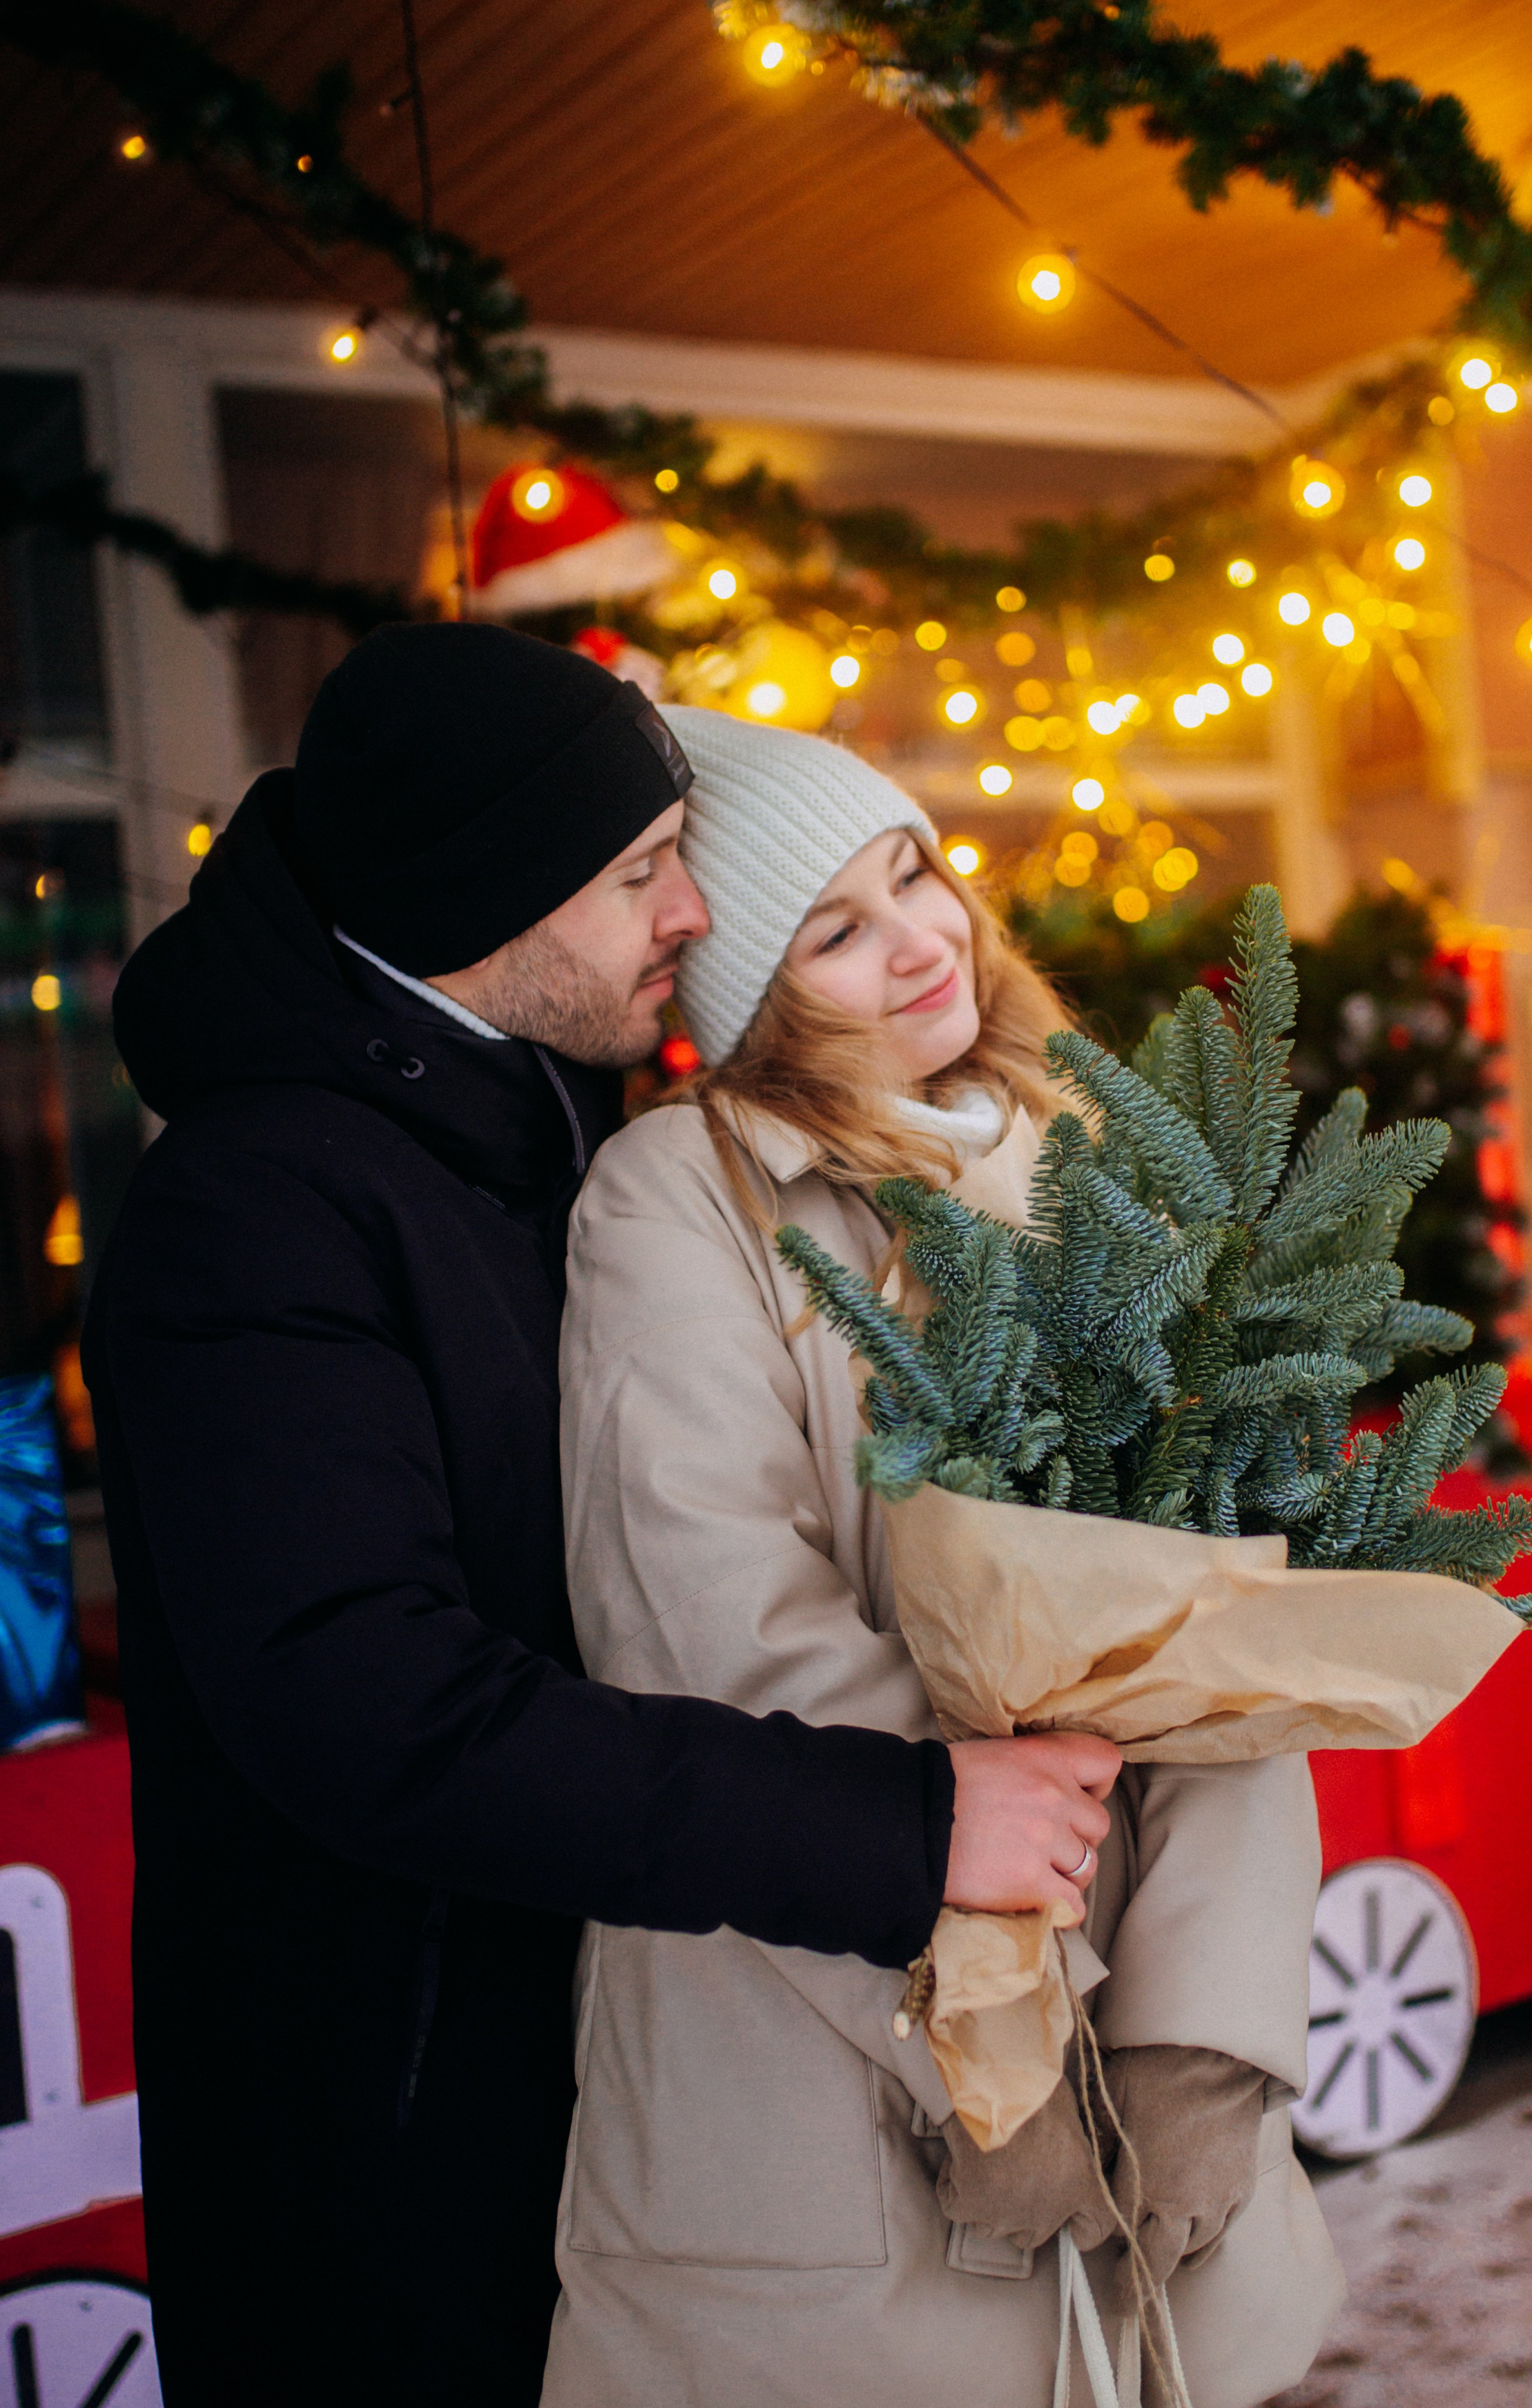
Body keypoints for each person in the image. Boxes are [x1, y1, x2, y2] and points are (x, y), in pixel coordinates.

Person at [83, 625, 1117, 2408]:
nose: (690, 917)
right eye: (642, 874)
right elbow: (365, 1704)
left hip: (614, 2084)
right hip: (394, 2166)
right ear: (494, 898)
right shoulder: (255, 1210)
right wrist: (906, 1822)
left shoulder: (529, 1118)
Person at [543, 710, 1345, 2408]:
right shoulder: (677, 1202)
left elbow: (1226, 1608)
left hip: (1136, 2058)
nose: (919, 941)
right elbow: (715, 1625)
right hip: (824, 2075)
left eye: (912, 875)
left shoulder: (1088, 1160)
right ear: (749, 996)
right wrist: (992, 2025)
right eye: (832, 931)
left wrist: (1200, 2032)